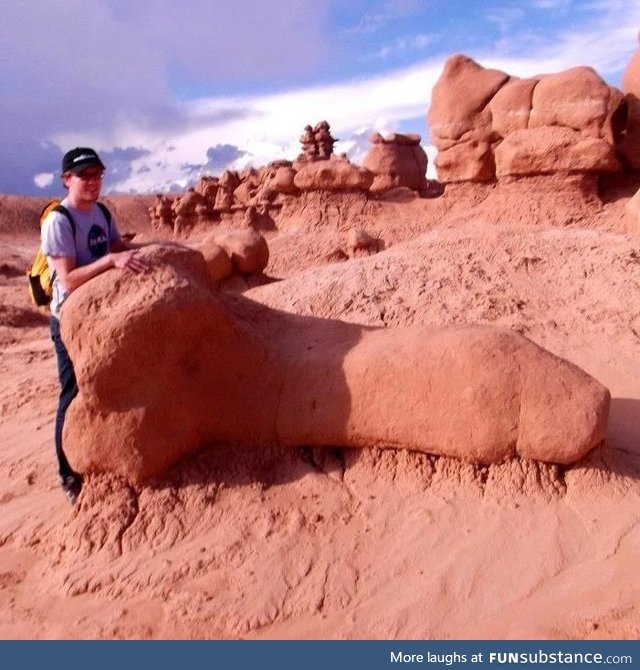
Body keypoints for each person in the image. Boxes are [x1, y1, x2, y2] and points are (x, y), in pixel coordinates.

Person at [41, 147, 148, 504]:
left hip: (103, 316)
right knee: (73, 395)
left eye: (98, 175)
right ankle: (68, 475)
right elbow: (69, 279)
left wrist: (127, 252)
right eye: (85, 176)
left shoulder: (102, 212)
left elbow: (113, 245)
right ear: (66, 180)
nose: (93, 182)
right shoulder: (60, 220)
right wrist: (112, 261)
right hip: (70, 322)